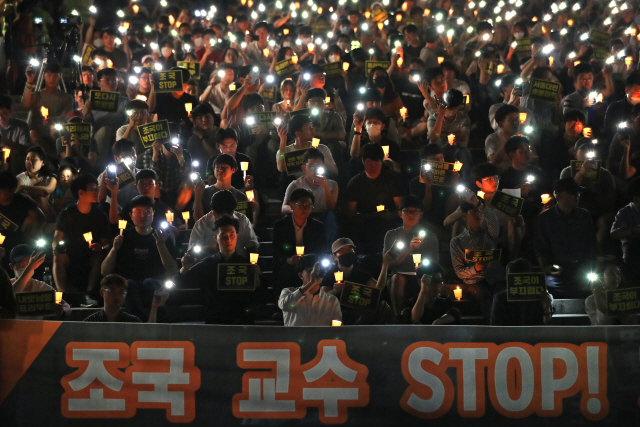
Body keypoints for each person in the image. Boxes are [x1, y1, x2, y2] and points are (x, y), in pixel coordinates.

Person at [101, 195, 177, 320]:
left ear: (153, 214)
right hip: (129, 283)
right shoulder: (122, 237)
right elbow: (104, 271)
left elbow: (172, 270)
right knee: (130, 284)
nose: (143, 216)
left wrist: (160, 245)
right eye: (138, 212)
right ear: (131, 215)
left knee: (149, 283)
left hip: (154, 281)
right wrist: (114, 249)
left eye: (147, 212)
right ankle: (137, 319)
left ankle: (162, 318)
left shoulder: (162, 236)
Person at [176, 215, 261, 325]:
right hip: (215, 317)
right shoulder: (208, 264)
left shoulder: (246, 265)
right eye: (223, 236)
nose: (228, 240)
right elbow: (181, 282)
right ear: (216, 238)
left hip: (242, 318)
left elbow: (261, 295)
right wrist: (184, 268)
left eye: (232, 235)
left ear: (237, 235)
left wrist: (257, 279)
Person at [533, 177, 597, 299]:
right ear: (558, 195)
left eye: (578, 193)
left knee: (589, 286)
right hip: (557, 269)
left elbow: (591, 244)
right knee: (554, 288)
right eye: (572, 193)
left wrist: (590, 265)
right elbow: (540, 245)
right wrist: (545, 267)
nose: (577, 196)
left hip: (581, 267)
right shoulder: (545, 218)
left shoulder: (584, 215)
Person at [53, 174, 110, 296]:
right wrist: (57, 247)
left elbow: (105, 243)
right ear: (81, 192)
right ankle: (63, 294)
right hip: (70, 253)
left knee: (98, 256)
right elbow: (56, 239)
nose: (96, 191)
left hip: (90, 254)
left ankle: (89, 293)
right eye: (92, 188)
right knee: (58, 257)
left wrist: (100, 246)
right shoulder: (66, 214)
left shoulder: (100, 215)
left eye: (97, 188)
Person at [385, 195, 440, 317]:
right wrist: (409, 248)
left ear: (421, 214)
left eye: (415, 212)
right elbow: (388, 263)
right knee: (397, 278)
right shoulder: (393, 234)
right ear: (400, 214)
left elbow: (435, 262)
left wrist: (423, 269)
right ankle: (400, 317)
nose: (411, 215)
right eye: (407, 211)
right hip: (400, 274)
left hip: (422, 274)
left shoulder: (430, 236)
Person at [450, 196, 501, 323]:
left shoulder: (489, 233)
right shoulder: (457, 241)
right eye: (473, 211)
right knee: (484, 297)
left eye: (479, 212)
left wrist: (481, 205)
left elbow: (494, 222)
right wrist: (475, 269)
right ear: (464, 216)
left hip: (495, 277)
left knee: (503, 295)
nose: (478, 214)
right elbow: (459, 271)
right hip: (474, 280)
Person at [319, 237, 394, 325]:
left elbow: (378, 288)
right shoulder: (330, 275)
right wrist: (335, 290)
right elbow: (322, 299)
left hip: (360, 315)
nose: (347, 253)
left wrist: (385, 265)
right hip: (337, 314)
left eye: (350, 250)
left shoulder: (361, 274)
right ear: (335, 256)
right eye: (342, 251)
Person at [560, 138, 616, 253]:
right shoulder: (566, 172)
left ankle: (598, 251)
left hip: (597, 211)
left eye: (590, 150)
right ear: (576, 154)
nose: (588, 153)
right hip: (575, 211)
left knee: (604, 221)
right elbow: (563, 201)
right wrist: (579, 176)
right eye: (584, 150)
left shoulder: (605, 174)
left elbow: (610, 204)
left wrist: (594, 190)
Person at [345, 143, 403, 254]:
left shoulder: (391, 180)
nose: (373, 168)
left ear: (382, 161)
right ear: (363, 161)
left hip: (388, 223)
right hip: (364, 225)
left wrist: (390, 215)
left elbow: (399, 207)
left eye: (376, 164)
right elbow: (350, 213)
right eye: (369, 164)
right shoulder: (355, 183)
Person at [273, 188, 327, 290]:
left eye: (309, 206)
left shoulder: (317, 226)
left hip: (311, 263)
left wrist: (309, 259)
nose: (306, 209)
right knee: (286, 271)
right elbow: (276, 250)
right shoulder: (280, 226)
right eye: (302, 205)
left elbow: (321, 249)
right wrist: (288, 260)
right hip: (289, 262)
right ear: (292, 206)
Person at [188, 189, 259, 259]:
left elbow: (252, 246)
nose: (224, 219)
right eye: (220, 215)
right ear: (213, 211)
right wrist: (212, 248)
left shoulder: (242, 219)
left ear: (233, 211)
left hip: (238, 265)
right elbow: (192, 251)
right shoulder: (202, 224)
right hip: (209, 266)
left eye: (228, 214)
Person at [22, 61, 73, 155]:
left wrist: (52, 120)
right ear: (43, 76)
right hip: (39, 134)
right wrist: (29, 81)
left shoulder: (66, 97)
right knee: (32, 134)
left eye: (55, 76)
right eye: (49, 75)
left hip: (57, 134)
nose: (52, 79)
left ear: (60, 77)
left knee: (54, 130)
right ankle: (47, 158)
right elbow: (25, 104)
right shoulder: (37, 95)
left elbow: (65, 116)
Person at [408, 144, 460, 235]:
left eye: (441, 158)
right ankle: (448, 239)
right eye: (435, 159)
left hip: (448, 218)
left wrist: (455, 183)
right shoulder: (416, 182)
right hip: (429, 219)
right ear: (425, 162)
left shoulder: (450, 177)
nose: (440, 161)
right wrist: (428, 187)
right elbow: (424, 209)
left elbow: (457, 201)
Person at [278, 255, 342, 326]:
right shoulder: (288, 291)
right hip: (294, 336)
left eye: (317, 271)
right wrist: (311, 283)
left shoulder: (331, 300)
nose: (314, 274)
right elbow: (285, 305)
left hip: (320, 337)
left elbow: (337, 328)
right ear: (300, 275)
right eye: (310, 271)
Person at [9, 246, 71, 319]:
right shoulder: (5, 285)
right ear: (12, 266)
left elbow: (67, 307)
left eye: (29, 264)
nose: (25, 268)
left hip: (36, 329)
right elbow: (9, 295)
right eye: (21, 265)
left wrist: (62, 311)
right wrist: (29, 268)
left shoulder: (41, 287)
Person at [0, 170, 45, 270]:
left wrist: (31, 236)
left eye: (2, 191)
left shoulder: (22, 202)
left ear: (13, 190)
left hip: (18, 244)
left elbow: (40, 217)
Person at [490, 258, 553, 326]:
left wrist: (546, 308)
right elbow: (495, 327)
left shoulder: (540, 297)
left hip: (533, 335)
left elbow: (546, 326)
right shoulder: (500, 299)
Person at [83, 274, 168, 323]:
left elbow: (146, 338)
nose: (117, 296)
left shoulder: (132, 321)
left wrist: (154, 307)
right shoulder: (92, 321)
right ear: (102, 292)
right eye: (112, 291)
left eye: (121, 293)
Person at [276, 114, 338, 178]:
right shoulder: (285, 151)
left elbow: (334, 172)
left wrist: (317, 154)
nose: (312, 130)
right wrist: (283, 140)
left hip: (318, 182)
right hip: (296, 185)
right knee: (283, 177)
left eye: (312, 127)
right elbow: (281, 168)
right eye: (309, 128)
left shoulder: (321, 148)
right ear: (298, 133)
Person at [194, 154, 253, 222]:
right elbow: (198, 220)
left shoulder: (240, 196)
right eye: (217, 167)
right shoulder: (204, 193)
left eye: (224, 167)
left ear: (233, 169)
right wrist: (197, 197)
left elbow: (244, 222)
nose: (220, 170)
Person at [143, 129, 192, 208]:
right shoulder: (150, 153)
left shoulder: (184, 153)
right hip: (158, 189)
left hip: (177, 189)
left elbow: (187, 175)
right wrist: (155, 154)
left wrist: (180, 158)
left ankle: (177, 213)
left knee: (189, 183)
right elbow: (150, 175)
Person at [282, 148, 338, 214]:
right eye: (312, 166)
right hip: (302, 216)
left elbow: (330, 208)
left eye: (319, 167)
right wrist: (296, 210)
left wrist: (326, 188)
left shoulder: (332, 185)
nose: (315, 170)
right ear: (304, 168)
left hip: (323, 216)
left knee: (330, 215)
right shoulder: (296, 184)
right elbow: (284, 207)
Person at [350, 107, 401, 175]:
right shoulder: (360, 143)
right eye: (370, 122)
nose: (372, 125)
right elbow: (354, 156)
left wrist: (391, 164)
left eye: (376, 122)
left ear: (382, 126)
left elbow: (398, 167)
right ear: (365, 125)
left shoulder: (391, 145)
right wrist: (358, 129)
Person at [585, 260, 638, 325]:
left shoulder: (626, 296)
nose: (616, 276)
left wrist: (626, 319)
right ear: (601, 277)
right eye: (611, 273)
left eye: (618, 273)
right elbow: (600, 324)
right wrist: (597, 298)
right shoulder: (591, 300)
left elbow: (634, 323)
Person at [611, 177, 640, 281]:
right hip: (633, 257)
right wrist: (634, 230)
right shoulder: (625, 212)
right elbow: (614, 233)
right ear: (636, 199)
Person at [16, 146, 57, 219]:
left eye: (33, 159)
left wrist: (24, 187)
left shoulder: (51, 178)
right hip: (28, 214)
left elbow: (47, 190)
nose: (30, 162)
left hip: (48, 213)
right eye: (27, 159)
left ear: (42, 162)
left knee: (41, 197)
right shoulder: (20, 178)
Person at [116, 100, 152, 168]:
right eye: (135, 113)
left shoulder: (150, 129)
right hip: (129, 165)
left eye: (143, 113)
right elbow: (119, 147)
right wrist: (130, 126)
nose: (139, 116)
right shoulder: (122, 130)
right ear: (128, 115)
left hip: (149, 164)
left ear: (147, 114)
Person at [485, 104, 521, 172]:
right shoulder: (492, 139)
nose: (516, 123)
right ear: (501, 124)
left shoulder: (522, 136)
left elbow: (533, 157)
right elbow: (493, 161)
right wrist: (510, 142)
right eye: (512, 121)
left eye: (517, 119)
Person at [0, 95, 30, 176]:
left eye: (4, 114)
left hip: (16, 159)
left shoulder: (21, 126)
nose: (1, 118)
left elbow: (25, 148)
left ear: (11, 111)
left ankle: (15, 182)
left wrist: (7, 142)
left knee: (12, 151)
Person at [187, 103, 219, 175]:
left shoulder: (221, 134)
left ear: (213, 117)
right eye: (200, 118)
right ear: (195, 122)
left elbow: (216, 158)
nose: (204, 120)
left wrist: (202, 138)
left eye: (207, 116)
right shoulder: (193, 140)